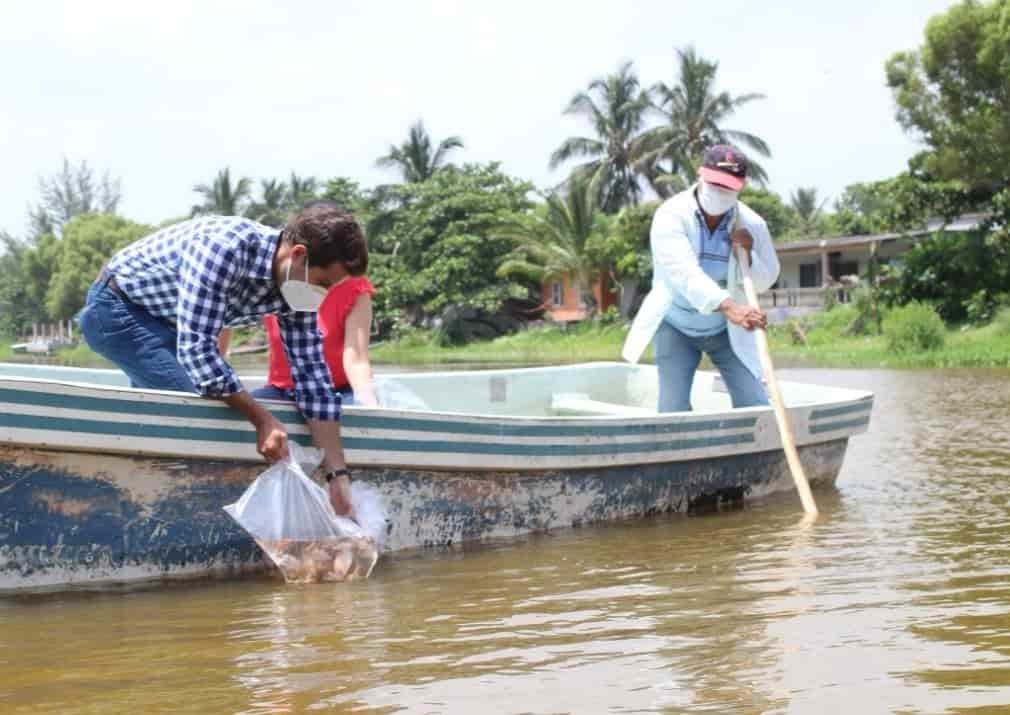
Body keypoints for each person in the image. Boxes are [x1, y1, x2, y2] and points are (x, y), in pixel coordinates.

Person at [77, 205, 367, 515]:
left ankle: (144, 496)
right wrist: (262, 419)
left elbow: (312, 379)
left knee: (166, 414)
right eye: (322, 284)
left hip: (169, 325)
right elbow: (199, 350)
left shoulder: (296, 288)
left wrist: (337, 474)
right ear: (297, 255)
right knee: (196, 409)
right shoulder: (225, 249)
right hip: (116, 309)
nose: (322, 296)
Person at [622, 144, 781, 412]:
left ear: (741, 186)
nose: (720, 192)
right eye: (715, 183)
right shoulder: (671, 215)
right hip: (676, 324)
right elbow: (684, 273)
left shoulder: (752, 224)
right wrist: (731, 307)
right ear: (700, 175)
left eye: (728, 186)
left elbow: (768, 278)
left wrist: (749, 255)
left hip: (726, 330)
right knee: (673, 410)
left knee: (755, 405)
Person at [253, 271, 378, 408]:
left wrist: (368, 402)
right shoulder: (273, 279)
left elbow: (357, 361)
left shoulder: (353, 287)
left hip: (337, 392)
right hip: (279, 392)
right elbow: (226, 310)